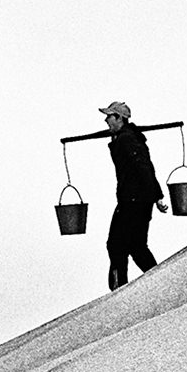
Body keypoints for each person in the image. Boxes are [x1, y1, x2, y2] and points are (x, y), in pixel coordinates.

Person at [63, 101, 169, 289]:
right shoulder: (127, 137)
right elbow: (143, 164)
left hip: (133, 200)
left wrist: (157, 196)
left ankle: (120, 290)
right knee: (136, 246)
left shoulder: (127, 139)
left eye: (109, 116)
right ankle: (160, 283)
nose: (106, 119)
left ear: (119, 118)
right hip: (137, 199)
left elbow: (143, 167)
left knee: (116, 245)